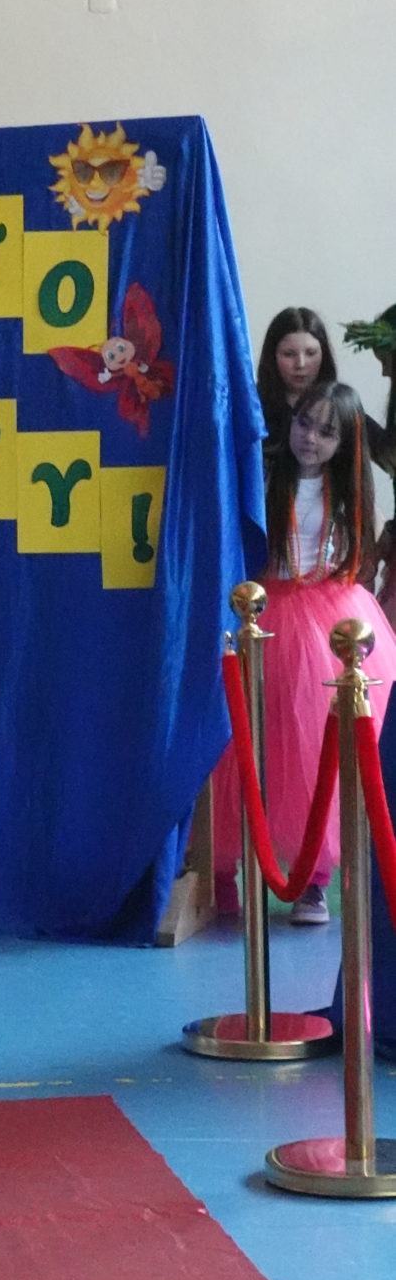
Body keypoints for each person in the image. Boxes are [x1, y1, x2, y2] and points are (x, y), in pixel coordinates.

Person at [218, 381, 396, 925]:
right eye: (304, 423)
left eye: (326, 432)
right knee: (252, 738)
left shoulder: (349, 493)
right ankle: (224, 870)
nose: (310, 438)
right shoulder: (267, 475)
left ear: (346, 442)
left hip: (329, 617)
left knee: (317, 744)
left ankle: (312, 879)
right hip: (266, 613)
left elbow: (354, 556)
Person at [254, 307, 336, 443]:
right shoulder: (252, 408)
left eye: (311, 353)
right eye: (289, 354)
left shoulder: (340, 408)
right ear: (272, 357)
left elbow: (376, 451)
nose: (300, 364)